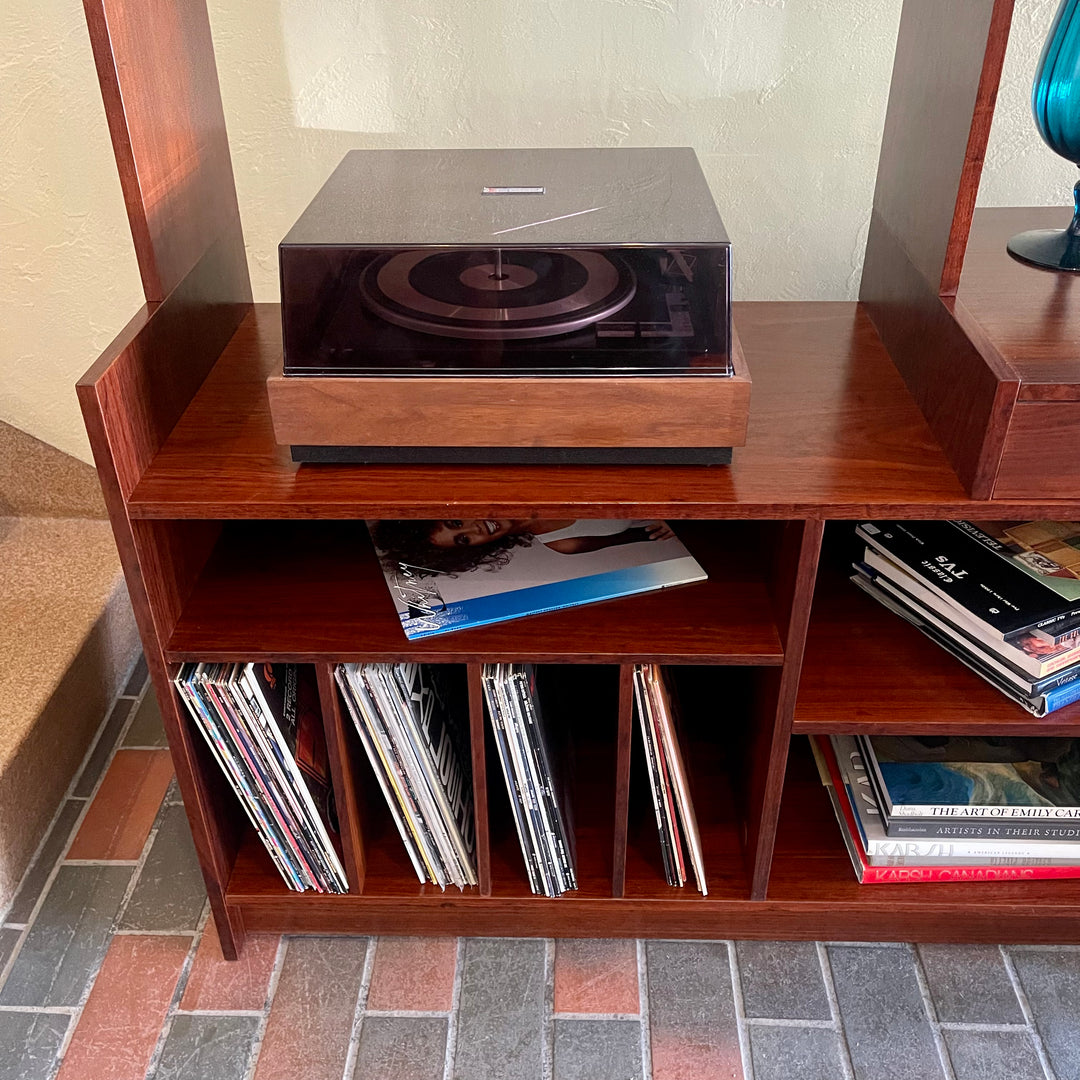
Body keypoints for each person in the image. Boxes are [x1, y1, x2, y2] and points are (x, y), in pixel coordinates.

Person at [370, 518, 676, 576]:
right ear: (472, 549)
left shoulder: (523, 473)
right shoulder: (563, 543)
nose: (472, 529)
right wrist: (674, 521)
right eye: (463, 539)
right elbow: (642, 535)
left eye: (454, 522)